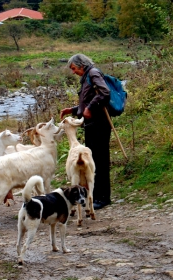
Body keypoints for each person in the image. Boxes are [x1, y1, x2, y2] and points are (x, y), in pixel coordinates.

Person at [60, 54, 112, 210]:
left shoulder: (93, 73)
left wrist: (89, 108)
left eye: (74, 68)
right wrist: (74, 110)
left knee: (100, 161)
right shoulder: (87, 76)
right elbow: (89, 100)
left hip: (99, 125)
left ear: (81, 65)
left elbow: (105, 93)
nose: (74, 72)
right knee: (94, 160)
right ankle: (95, 195)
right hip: (91, 125)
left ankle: (103, 198)